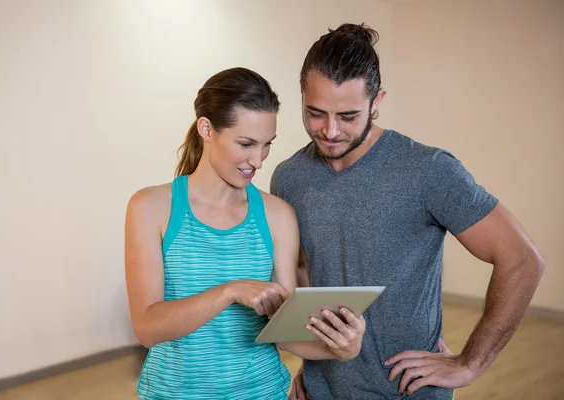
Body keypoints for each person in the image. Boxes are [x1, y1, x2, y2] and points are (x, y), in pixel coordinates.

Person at [270, 24, 546, 399]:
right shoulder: (290, 177)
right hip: (323, 390)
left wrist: (470, 363)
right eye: (315, 113)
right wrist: (309, 360)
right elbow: (305, 274)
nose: (330, 131)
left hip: (408, 390)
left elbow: (522, 260)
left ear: (377, 100)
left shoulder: (429, 170)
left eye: (348, 116)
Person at [124, 67, 366, 399]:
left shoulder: (277, 215)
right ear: (207, 129)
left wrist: (342, 349)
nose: (259, 159)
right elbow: (148, 328)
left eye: (267, 144)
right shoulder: (150, 207)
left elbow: (284, 332)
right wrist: (231, 291)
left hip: (263, 391)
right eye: (246, 143)